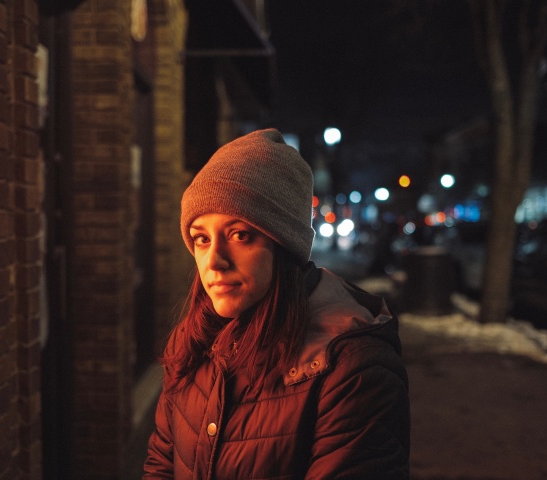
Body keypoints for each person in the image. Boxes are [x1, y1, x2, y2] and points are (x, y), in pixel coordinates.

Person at [143, 129, 410, 479]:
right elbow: (162, 466)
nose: (214, 261)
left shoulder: (353, 369)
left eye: (240, 235)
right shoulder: (192, 343)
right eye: (201, 238)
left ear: (285, 245)